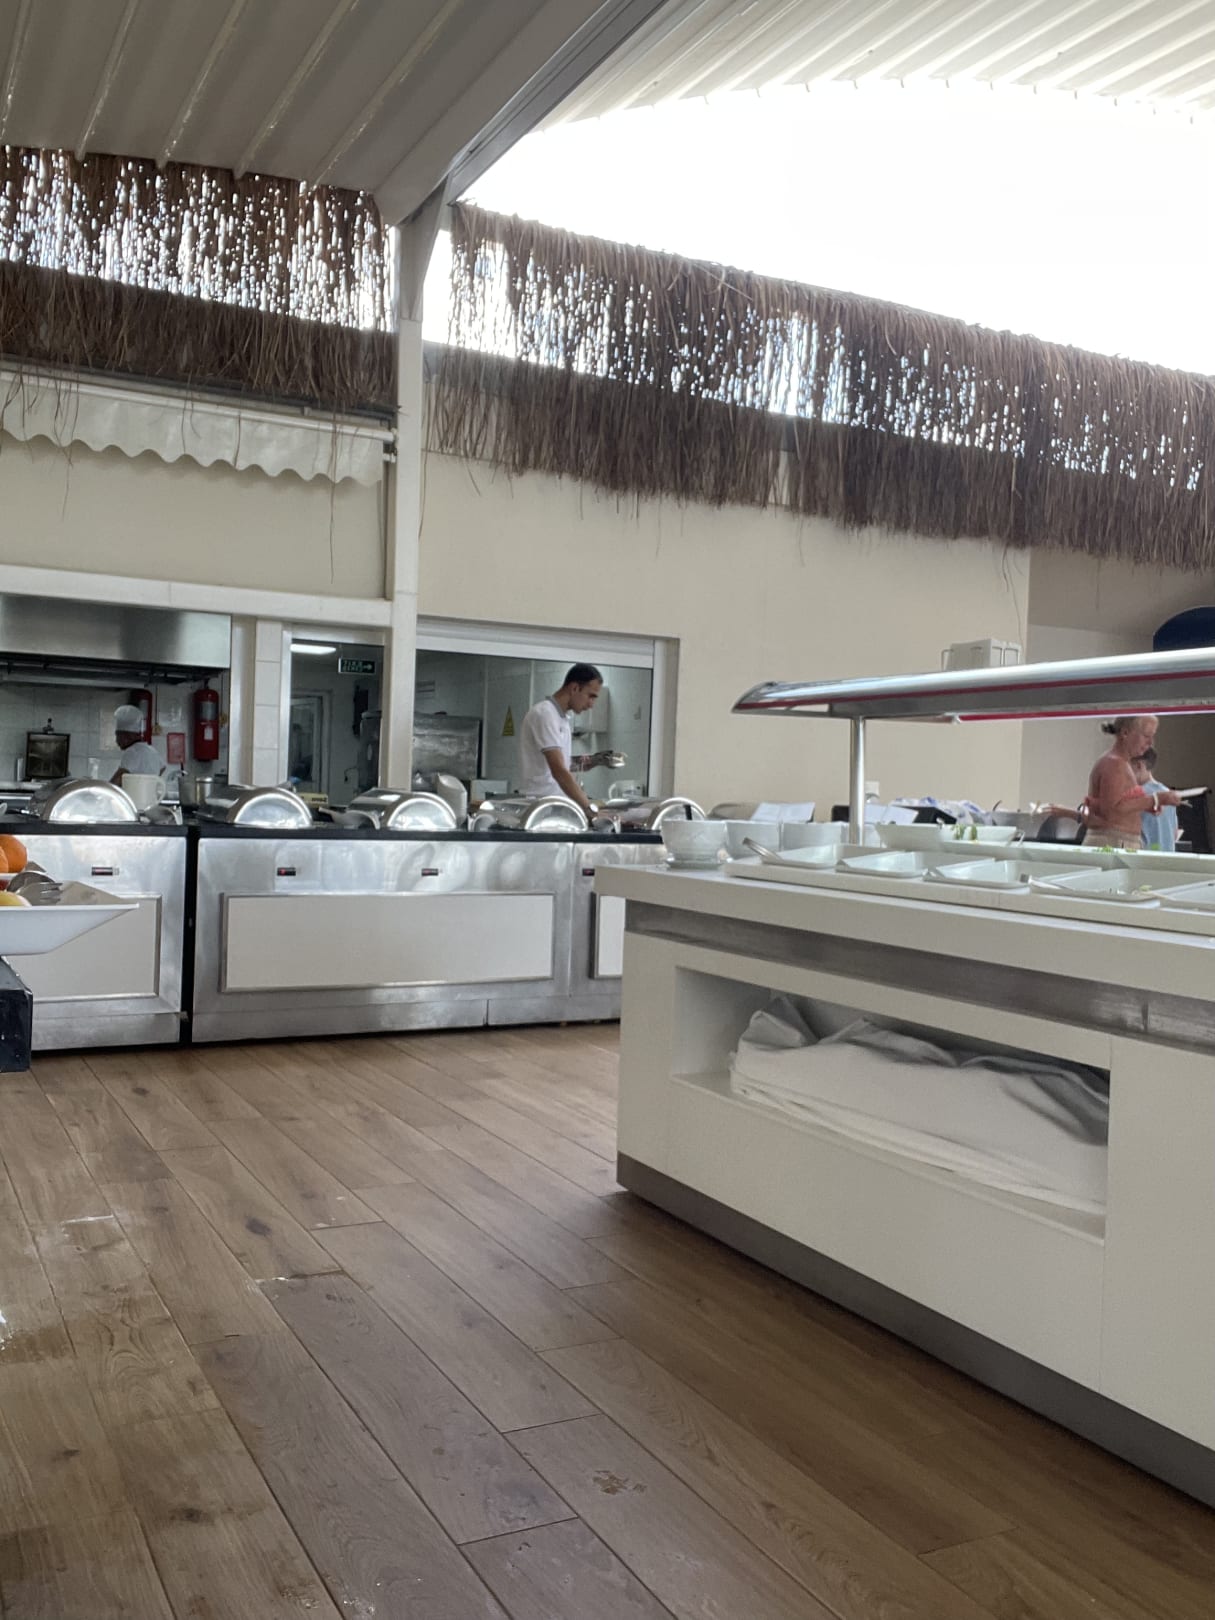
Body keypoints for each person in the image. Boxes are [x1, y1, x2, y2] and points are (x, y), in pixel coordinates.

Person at [517, 663, 615, 818]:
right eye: (590, 696)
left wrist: (594, 760)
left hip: (556, 804)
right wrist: (589, 810)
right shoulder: (545, 714)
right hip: (542, 806)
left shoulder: (562, 719)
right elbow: (559, 770)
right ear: (574, 688)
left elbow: (559, 765)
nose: (591, 705)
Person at [1082, 716, 1180, 849]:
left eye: (1152, 736)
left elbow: (1117, 805)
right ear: (1125, 733)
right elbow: (1112, 810)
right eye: (1146, 736)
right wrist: (1155, 799)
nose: (1150, 742)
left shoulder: (1121, 764)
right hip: (1113, 841)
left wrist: (1143, 806)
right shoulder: (1114, 764)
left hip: (1120, 841)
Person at [1134, 747, 1179, 853]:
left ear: (1139, 765)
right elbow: (1174, 834)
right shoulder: (1168, 794)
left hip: (1145, 857)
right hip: (1167, 857)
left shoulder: (1137, 795)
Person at [110, 703, 163, 787]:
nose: (116, 741)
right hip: (150, 794)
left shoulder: (132, 752)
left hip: (134, 795)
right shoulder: (151, 750)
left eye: (118, 736)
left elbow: (116, 782)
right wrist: (150, 782)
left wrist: (104, 791)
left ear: (127, 736)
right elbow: (162, 767)